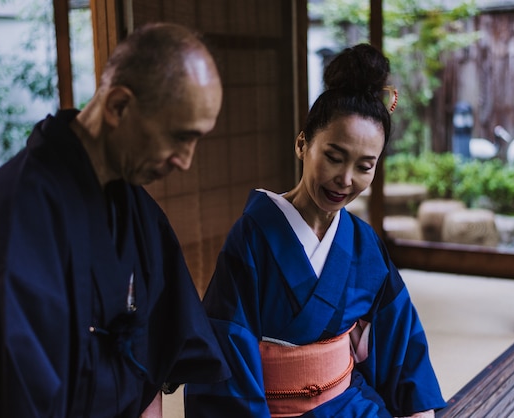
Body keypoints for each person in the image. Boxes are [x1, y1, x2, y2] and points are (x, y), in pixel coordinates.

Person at [0, 22, 230, 417]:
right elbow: (8, 384)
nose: (185, 162)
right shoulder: (16, 213)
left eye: (196, 140)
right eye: (178, 137)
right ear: (119, 106)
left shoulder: (139, 212)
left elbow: (160, 346)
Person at [184, 44, 446, 417]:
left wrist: (418, 411)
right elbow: (229, 348)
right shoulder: (253, 237)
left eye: (364, 166)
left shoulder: (362, 242)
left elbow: (400, 335)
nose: (345, 179)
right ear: (303, 144)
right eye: (334, 157)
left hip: (349, 404)